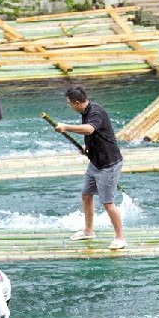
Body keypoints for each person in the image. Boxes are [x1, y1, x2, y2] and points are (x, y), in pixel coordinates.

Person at [54, 85, 126, 250]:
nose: (69, 106)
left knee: (108, 203)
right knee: (86, 195)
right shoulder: (85, 112)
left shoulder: (95, 112)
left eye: (69, 103)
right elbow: (94, 134)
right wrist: (87, 147)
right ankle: (88, 231)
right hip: (95, 162)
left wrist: (66, 127)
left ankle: (120, 238)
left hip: (109, 164)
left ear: (77, 102)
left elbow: (89, 129)